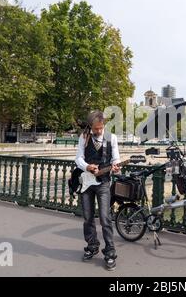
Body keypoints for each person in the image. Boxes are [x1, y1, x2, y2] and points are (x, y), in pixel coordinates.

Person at [75, 110, 121, 271]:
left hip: (103, 182)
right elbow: (78, 158)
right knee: (87, 217)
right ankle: (92, 245)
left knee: (105, 218)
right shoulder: (84, 137)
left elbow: (115, 157)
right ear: (90, 126)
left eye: (101, 128)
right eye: (96, 128)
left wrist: (116, 166)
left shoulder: (112, 138)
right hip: (87, 182)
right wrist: (87, 166)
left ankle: (110, 252)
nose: (99, 131)